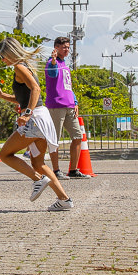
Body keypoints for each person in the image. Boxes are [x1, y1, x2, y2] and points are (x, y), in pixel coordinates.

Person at [0, 37, 73, 211]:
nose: (2, 60)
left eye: (3, 56)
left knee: (5, 155)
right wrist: (2, 96)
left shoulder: (19, 67)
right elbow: (24, 97)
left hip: (34, 119)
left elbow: (36, 89)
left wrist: (27, 113)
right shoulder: (25, 66)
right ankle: (64, 199)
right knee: (39, 164)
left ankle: (38, 179)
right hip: (41, 118)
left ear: (10, 53)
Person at [44, 36, 90, 179]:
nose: (67, 50)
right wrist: (52, 61)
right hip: (56, 106)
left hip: (69, 106)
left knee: (78, 137)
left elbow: (68, 86)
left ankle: (73, 170)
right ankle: (56, 171)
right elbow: (52, 74)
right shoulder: (51, 63)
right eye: (64, 47)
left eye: (68, 47)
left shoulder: (65, 65)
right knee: (54, 140)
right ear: (56, 48)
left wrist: (75, 102)